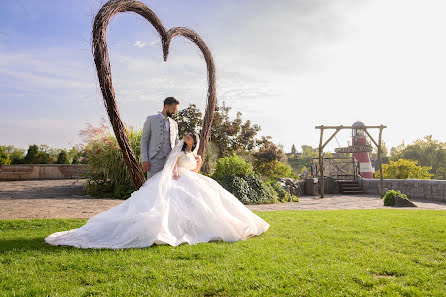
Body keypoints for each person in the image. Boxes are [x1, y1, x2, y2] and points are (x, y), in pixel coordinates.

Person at [44, 132, 270, 249]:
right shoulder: (179, 152)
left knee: (208, 201)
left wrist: (193, 175)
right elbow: (171, 166)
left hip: (192, 180)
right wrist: (173, 173)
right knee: (172, 205)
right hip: (176, 178)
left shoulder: (197, 156)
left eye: (190, 137)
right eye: (186, 136)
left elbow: (198, 172)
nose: (187, 138)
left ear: (195, 141)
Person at [140, 97, 180, 179]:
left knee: (168, 187)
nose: (174, 112)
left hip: (169, 162)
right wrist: (145, 160)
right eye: (173, 109)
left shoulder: (174, 124)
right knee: (152, 187)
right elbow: (144, 141)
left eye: (175, 110)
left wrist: (176, 161)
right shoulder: (151, 119)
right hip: (153, 162)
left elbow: (176, 144)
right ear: (166, 106)